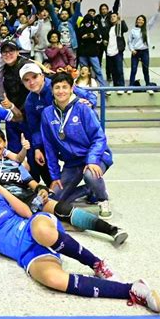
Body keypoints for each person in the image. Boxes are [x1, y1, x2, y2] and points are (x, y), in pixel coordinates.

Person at [0, 168, 160, 314]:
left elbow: (26, 212)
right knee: (54, 280)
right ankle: (132, 289)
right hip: (25, 253)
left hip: (33, 228)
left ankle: (96, 263)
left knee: (41, 230)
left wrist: (1, 189)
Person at [0, 129, 126, 244]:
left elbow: (32, 184)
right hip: (0, 204)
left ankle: (111, 230)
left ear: (4, 143)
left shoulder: (15, 164)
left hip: (25, 197)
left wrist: (42, 190)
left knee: (63, 209)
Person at [41, 73, 113, 219]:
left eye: (65, 87)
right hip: (72, 163)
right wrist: (54, 176)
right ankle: (88, 189)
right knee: (54, 199)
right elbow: (49, 148)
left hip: (94, 157)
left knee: (90, 175)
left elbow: (99, 137)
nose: (61, 91)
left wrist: (92, 160)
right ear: (52, 90)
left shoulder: (83, 108)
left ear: (72, 88)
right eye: (57, 87)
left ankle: (102, 199)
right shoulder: (47, 114)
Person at [20, 62, 96, 186]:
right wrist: (38, 148)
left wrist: (90, 103)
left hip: (77, 134)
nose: (31, 82)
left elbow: (89, 95)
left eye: (34, 77)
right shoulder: (30, 101)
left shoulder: (59, 85)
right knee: (38, 159)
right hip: (55, 137)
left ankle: (93, 187)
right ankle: (54, 187)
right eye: (26, 80)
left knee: (91, 173)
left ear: (42, 76)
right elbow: (35, 129)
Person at [127, 1, 160, 94]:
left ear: (144, 21)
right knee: (133, 70)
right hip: (135, 52)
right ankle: (131, 87)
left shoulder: (147, 28)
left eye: (142, 20)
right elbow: (129, 41)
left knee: (145, 70)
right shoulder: (133, 30)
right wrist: (132, 50)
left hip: (145, 52)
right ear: (136, 21)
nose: (140, 21)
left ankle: (148, 87)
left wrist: (158, 10)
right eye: (139, 19)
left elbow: (154, 19)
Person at [0, 40, 29, 153]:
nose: (8, 54)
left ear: (18, 52)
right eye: (5, 52)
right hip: (12, 114)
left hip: (28, 116)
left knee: (32, 148)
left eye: (11, 51)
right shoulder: (4, 68)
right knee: (13, 150)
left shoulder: (26, 66)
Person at [77, 14, 105, 86]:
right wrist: (83, 37)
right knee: (84, 71)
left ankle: (103, 87)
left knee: (98, 71)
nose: (87, 23)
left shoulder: (95, 29)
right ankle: (84, 85)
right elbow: (78, 40)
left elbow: (99, 40)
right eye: (86, 22)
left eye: (89, 22)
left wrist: (93, 36)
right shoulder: (81, 29)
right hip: (82, 53)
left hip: (93, 53)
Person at [105, 13, 128, 94]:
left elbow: (125, 29)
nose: (112, 18)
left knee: (119, 70)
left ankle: (121, 87)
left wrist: (121, 21)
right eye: (111, 17)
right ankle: (115, 86)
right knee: (113, 70)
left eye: (114, 16)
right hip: (109, 51)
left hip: (117, 51)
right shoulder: (109, 28)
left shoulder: (119, 27)